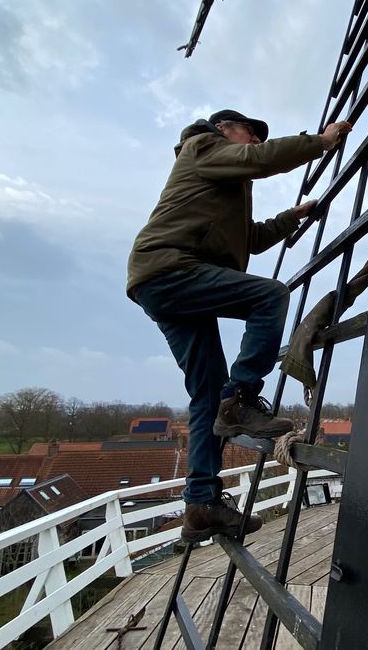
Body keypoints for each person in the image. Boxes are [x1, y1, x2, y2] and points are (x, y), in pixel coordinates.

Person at [127, 109, 352, 541]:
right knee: (269, 296)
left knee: (207, 398)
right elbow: (261, 159)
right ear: (223, 129)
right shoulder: (202, 147)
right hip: (170, 269)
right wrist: (320, 143)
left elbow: (249, 238)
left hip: (162, 280)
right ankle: (243, 396)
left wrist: (292, 217)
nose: (252, 140)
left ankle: (201, 505)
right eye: (249, 131)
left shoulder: (222, 185)